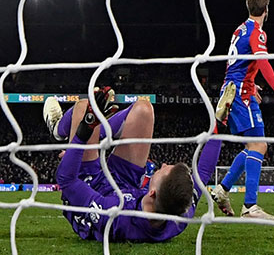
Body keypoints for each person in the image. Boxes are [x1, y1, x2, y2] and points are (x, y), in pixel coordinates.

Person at [42, 87, 224, 242]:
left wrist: (81, 140)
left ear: (152, 192)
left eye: (164, 170)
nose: (164, 164)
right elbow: (203, 173)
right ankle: (97, 133)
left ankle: (59, 130)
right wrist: (219, 125)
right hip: (126, 184)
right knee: (144, 110)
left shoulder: (115, 215)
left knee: (84, 107)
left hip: (90, 189)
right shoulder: (178, 214)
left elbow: (67, 180)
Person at [209, 0, 274, 220]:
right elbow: (262, 60)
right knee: (259, 144)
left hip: (236, 88)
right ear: (266, 11)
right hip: (240, 93)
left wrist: (251, 83)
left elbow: (237, 62)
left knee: (253, 146)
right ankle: (250, 206)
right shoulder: (258, 32)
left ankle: (223, 189)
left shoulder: (240, 30)